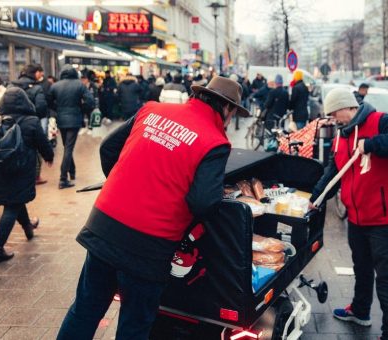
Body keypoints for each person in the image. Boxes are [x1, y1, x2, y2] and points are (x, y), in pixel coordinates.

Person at [56, 76, 249, 339]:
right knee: (134, 326)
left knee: (85, 310)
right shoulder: (214, 141)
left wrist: (131, 187)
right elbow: (204, 202)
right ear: (227, 109)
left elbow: (108, 148)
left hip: (104, 227)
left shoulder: (152, 109)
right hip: (148, 245)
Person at [309, 88, 388, 340]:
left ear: (348, 107)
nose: (334, 119)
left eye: (336, 114)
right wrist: (317, 197)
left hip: (385, 220)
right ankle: (360, 311)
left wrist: (372, 144)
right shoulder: (341, 135)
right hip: (357, 218)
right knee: (362, 268)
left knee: (387, 277)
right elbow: (334, 172)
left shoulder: (381, 121)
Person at [0, 87, 54, 264]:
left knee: (15, 200)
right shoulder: (31, 122)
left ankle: (28, 228)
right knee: (12, 205)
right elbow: (43, 144)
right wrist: (49, 157)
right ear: (25, 102)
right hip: (22, 170)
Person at [48, 65, 95, 189]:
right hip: (74, 120)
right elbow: (90, 102)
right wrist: (81, 109)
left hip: (61, 119)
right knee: (68, 148)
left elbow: (48, 101)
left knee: (67, 146)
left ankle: (72, 172)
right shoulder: (80, 85)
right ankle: (63, 179)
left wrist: (58, 109)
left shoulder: (55, 85)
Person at [11, 64, 49, 185]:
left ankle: (18, 175)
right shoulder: (37, 88)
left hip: (12, 122)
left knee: (16, 147)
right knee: (35, 149)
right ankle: (35, 177)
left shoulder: (11, 85)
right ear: (35, 73)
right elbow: (41, 107)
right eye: (40, 73)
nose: (41, 75)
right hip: (31, 122)